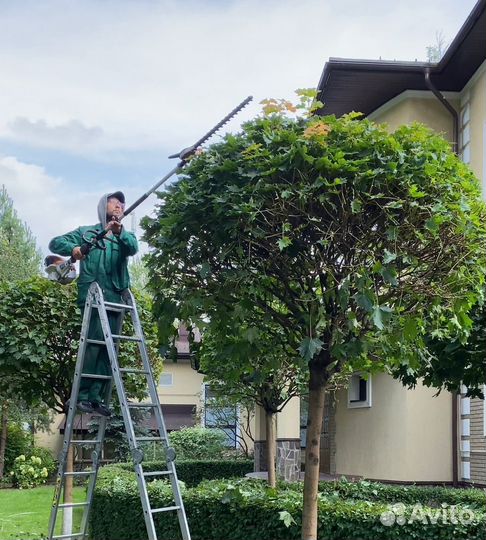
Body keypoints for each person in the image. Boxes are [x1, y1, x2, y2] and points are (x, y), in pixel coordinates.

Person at [49, 192, 138, 416]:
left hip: (115, 295)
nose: (119, 206)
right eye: (114, 202)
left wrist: (119, 232)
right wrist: (74, 249)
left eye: (122, 204)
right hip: (92, 293)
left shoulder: (124, 236)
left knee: (110, 348)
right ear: (103, 206)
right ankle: (82, 395)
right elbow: (55, 242)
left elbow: (133, 247)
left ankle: (97, 398)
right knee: (94, 343)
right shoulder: (86, 232)